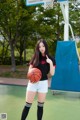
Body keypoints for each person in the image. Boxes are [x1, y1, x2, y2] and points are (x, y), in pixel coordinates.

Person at [21, 39, 56, 120]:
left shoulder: (51, 59)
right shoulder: (35, 57)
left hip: (43, 83)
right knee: (27, 105)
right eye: (39, 47)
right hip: (33, 83)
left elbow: (52, 73)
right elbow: (29, 70)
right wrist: (31, 74)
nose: (41, 48)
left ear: (46, 47)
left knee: (40, 106)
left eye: (43, 46)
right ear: (38, 48)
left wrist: (50, 63)